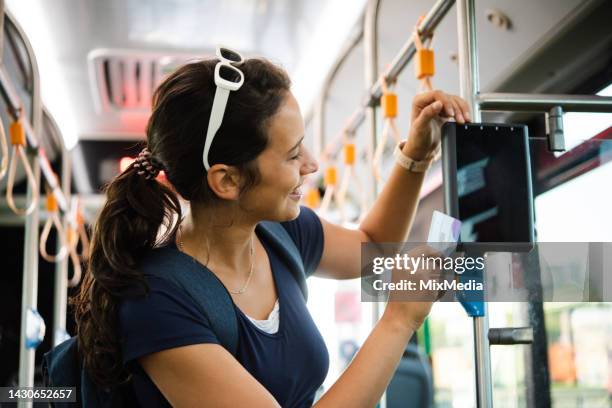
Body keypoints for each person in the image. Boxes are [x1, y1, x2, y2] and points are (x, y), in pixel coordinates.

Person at [72, 47, 471, 407]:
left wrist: (416, 154)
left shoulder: (280, 234)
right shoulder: (156, 300)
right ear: (227, 181)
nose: (311, 164)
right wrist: (399, 320)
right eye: (293, 154)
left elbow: (373, 246)